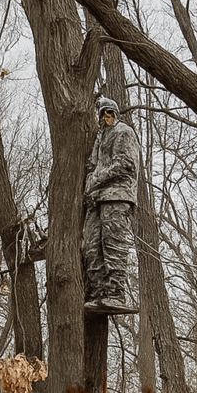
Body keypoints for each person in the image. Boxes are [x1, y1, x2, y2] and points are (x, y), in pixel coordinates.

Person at [83, 96, 139, 315]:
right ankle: (98, 293)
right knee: (91, 246)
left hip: (117, 196)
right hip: (97, 199)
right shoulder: (100, 137)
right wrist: (90, 185)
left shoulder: (124, 132)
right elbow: (92, 165)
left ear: (115, 114)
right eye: (102, 114)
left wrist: (97, 179)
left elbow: (126, 164)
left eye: (109, 113)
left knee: (113, 244)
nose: (106, 117)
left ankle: (115, 293)